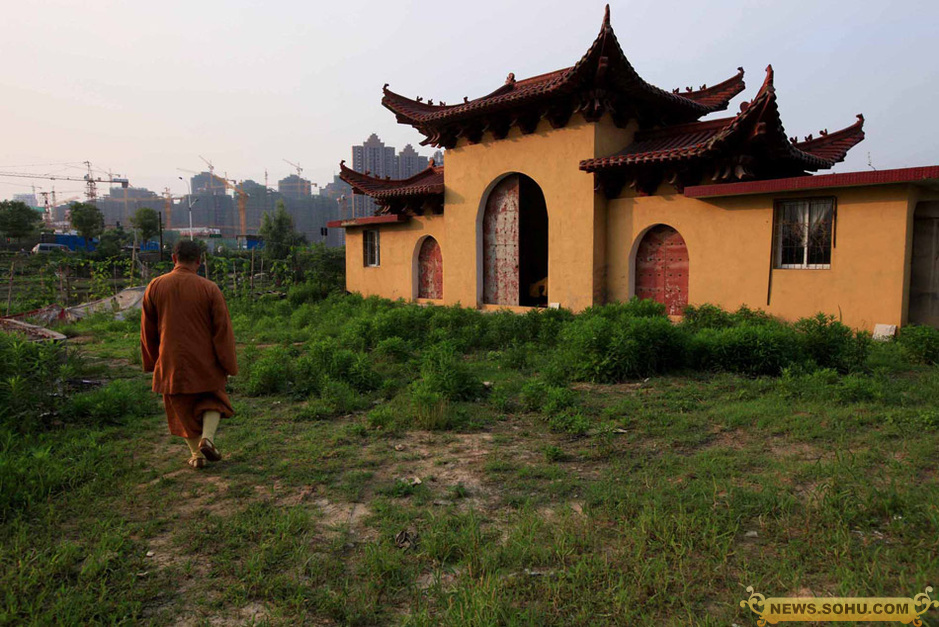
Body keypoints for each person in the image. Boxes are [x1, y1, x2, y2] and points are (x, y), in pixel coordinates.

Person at [140, 240, 238, 469]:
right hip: (205, 361)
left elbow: (148, 330)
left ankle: (197, 455)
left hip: (171, 361)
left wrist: (153, 362)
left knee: (181, 410)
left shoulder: (155, 286)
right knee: (215, 400)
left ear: (174, 259)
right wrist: (227, 363)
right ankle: (208, 439)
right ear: (199, 261)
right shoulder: (209, 288)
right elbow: (222, 331)